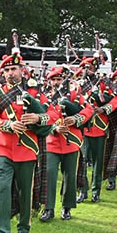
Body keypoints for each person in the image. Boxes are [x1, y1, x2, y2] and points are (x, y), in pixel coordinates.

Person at [0, 50, 53, 233]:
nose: (10, 73)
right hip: (2, 149)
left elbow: (52, 113)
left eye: (13, 69)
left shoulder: (34, 92)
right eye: (6, 70)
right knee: (3, 190)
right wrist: (8, 125)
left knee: (26, 192)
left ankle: (24, 229)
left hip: (27, 148)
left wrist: (37, 118)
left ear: (22, 70)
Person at [42, 67, 93, 222]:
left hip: (72, 141)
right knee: (49, 174)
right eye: (53, 80)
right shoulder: (44, 97)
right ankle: (48, 208)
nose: (56, 82)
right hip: (51, 142)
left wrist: (76, 118)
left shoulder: (74, 95)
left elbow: (88, 110)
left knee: (70, 176)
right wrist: (53, 128)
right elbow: (41, 117)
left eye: (59, 79)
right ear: (49, 81)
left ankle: (67, 207)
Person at [80, 57, 117, 202]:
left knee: (98, 162)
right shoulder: (77, 84)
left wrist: (104, 109)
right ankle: (83, 190)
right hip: (82, 128)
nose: (86, 70)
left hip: (99, 127)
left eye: (89, 67)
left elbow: (116, 99)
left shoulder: (103, 83)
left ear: (95, 69)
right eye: (85, 67)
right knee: (82, 161)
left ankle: (96, 191)